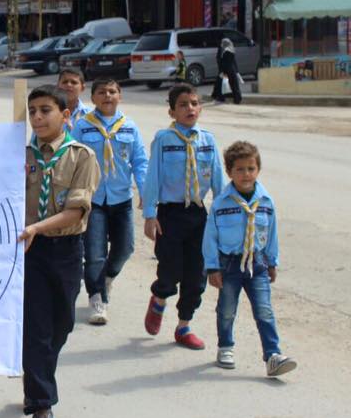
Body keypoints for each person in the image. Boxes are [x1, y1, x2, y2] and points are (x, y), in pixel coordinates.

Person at [19, 85, 100, 418]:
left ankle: (36, 376)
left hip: (66, 249)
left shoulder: (81, 157)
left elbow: (75, 212)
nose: (37, 117)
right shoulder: (19, 155)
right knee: (36, 328)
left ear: (65, 115)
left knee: (62, 324)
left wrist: (37, 226)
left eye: (45, 110)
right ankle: (41, 404)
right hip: (30, 250)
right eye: (32, 111)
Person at [141, 83, 225, 349]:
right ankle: (159, 299)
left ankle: (183, 326)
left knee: (197, 274)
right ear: (172, 112)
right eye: (183, 105)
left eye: (194, 103)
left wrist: (223, 216)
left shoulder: (207, 140)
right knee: (170, 269)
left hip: (198, 215)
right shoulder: (164, 140)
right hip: (170, 214)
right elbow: (153, 177)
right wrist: (150, 214)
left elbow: (218, 181)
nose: (190, 108)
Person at [203, 141, 296, 376]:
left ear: (258, 169)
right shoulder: (221, 203)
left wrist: (272, 262)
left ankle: (273, 355)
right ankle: (225, 347)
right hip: (229, 264)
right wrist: (212, 267)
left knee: (264, 310)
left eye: (251, 169)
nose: (246, 174)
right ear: (229, 172)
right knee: (227, 309)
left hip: (258, 263)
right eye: (240, 169)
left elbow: (271, 233)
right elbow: (210, 237)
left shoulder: (265, 201)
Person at [71, 79, 148, 325]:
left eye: (112, 91)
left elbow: (140, 161)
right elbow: (71, 158)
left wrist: (144, 191)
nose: (107, 95)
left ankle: (107, 278)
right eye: (102, 92)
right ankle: (97, 298)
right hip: (93, 199)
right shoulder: (83, 126)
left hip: (121, 197)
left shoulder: (129, 127)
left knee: (125, 247)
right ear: (93, 98)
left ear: (120, 96)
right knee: (95, 253)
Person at [213, 38, 242, 104]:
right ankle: (237, 99)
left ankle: (221, 97)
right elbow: (233, 61)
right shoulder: (231, 49)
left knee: (221, 84)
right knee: (234, 85)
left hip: (226, 69)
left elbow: (222, 61)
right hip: (232, 69)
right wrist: (236, 70)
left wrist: (222, 71)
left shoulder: (224, 51)